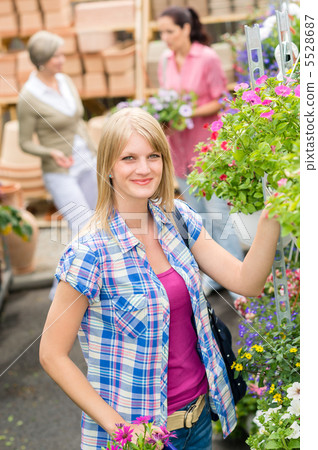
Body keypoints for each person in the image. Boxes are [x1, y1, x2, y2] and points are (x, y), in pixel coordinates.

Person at [39, 108, 280, 450]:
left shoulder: (178, 219)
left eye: (153, 155)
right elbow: (51, 354)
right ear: (108, 166)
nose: (144, 168)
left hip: (198, 422)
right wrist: (121, 429)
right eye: (129, 158)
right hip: (142, 437)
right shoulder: (89, 252)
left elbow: (247, 281)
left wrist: (274, 212)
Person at [157, 6, 245, 297]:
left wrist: (187, 112)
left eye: (170, 31)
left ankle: (238, 278)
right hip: (179, 151)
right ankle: (216, 276)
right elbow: (165, 97)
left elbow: (221, 99)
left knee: (218, 212)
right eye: (162, 32)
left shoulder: (206, 57)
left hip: (207, 149)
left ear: (185, 28)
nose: (166, 37)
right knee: (196, 217)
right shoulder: (165, 60)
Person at [17, 30, 98, 237]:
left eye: (63, 54)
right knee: (83, 227)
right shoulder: (29, 96)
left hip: (87, 160)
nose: (62, 60)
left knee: (101, 218)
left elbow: (77, 119)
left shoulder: (65, 81)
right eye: (56, 56)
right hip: (61, 171)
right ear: (41, 60)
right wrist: (51, 153)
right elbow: (25, 143)